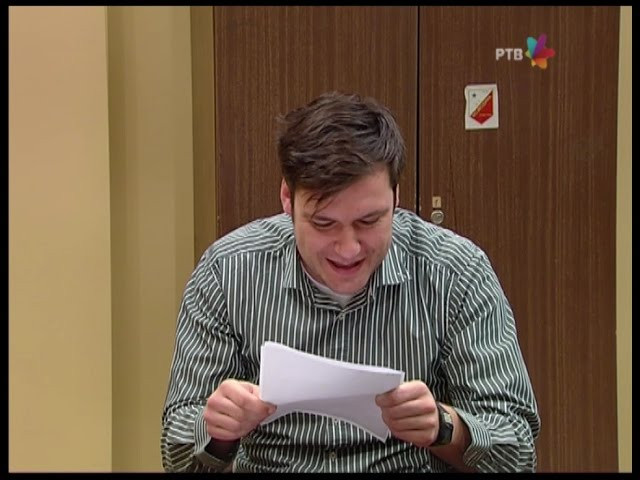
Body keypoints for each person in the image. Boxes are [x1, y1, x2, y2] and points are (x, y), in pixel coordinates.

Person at [161, 91, 540, 473]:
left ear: (395, 197)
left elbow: (519, 451)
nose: (348, 249)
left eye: (369, 221)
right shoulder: (228, 271)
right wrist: (220, 431)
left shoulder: (455, 272)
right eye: (324, 223)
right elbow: (176, 454)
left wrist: (445, 427)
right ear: (288, 198)